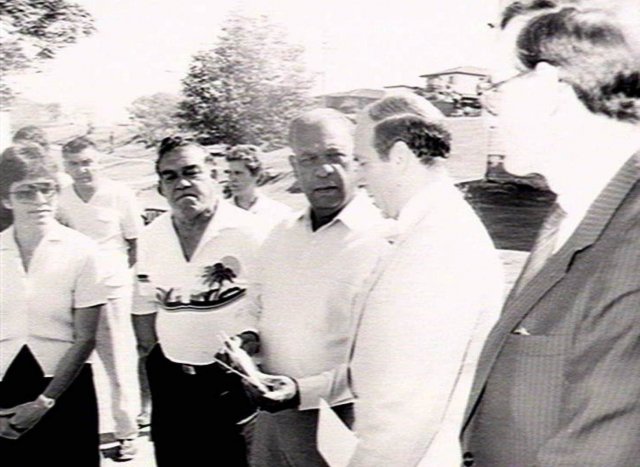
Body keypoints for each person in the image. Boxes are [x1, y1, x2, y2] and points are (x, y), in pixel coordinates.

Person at [462, 3, 640, 466]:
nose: (490, 110)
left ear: (548, 90)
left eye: (495, 88)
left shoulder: (633, 245)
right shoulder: (570, 215)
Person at [345, 93, 504, 467]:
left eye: (363, 162)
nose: (359, 177)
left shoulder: (437, 246)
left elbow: (402, 416)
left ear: (399, 157)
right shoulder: (429, 227)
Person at [235, 109, 391, 467]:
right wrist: (247, 336)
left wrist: (301, 392)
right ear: (294, 165)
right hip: (272, 416)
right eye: (309, 159)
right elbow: (255, 302)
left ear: (356, 159)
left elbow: (382, 360)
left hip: (344, 421)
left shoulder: (384, 239)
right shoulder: (280, 233)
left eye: (334, 156)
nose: (323, 170)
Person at [133, 136, 264, 467]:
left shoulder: (251, 232)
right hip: (173, 383)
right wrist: (154, 356)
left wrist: (252, 342)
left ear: (214, 175)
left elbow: (277, 303)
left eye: (192, 172)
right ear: (161, 186)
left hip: (234, 381)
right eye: (170, 176)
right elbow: (145, 305)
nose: (183, 183)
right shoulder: (151, 236)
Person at [0, 145, 107, 465]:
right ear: (6, 199)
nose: (40, 201)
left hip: (64, 388)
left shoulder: (83, 251)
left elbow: (86, 337)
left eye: (47, 189)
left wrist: (44, 402)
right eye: (26, 192)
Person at [58, 136, 143, 461]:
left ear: (99, 161)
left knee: (119, 362)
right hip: (73, 291)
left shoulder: (119, 194)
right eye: (74, 164)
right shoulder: (62, 199)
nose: (82, 170)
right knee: (72, 364)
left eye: (87, 162)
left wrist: (116, 278)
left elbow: (135, 243)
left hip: (112, 291)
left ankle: (127, 433)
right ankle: (76, 429)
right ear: (65, 167)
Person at [225, 144, 292, 230]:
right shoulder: (220, 212)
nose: (231, 179)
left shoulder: (279, 212)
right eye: (229, 173)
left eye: (238, 173)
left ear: (257, 175)